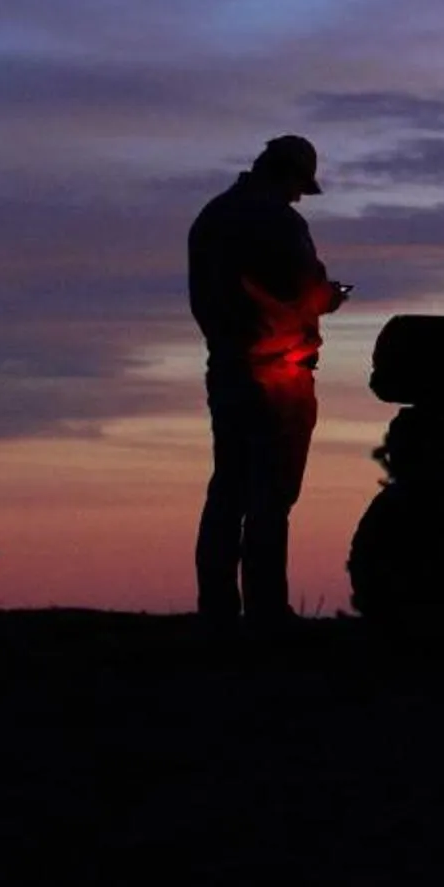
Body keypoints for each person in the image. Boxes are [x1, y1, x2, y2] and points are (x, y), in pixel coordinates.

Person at [189, 133, 349, 627]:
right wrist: (330, 297)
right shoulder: (279, 221)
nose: (299, 197)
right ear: (289, 175)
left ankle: (217, 608)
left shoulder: (212, 217)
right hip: (279, 377)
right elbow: (303, 287)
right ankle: (266, 610)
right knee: (271, 496)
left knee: (227, 490)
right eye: (300, 187)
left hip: (226, 369)